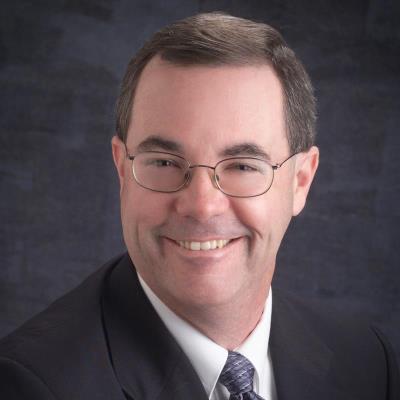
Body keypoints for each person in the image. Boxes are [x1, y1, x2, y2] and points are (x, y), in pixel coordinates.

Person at [0, 12, 398, 400]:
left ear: (300, 182)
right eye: (164, 163)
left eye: (243, 166)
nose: (202, 206)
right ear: (122, 170)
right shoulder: (31, 386)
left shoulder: (368, 362)